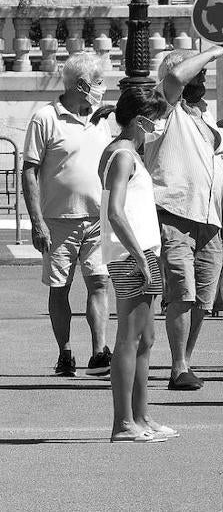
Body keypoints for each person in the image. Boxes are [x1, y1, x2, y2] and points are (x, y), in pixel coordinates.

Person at [148, 47, 223, 391]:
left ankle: (185, 360)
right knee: (182, 293)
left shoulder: (206, 117)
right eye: (198, 73)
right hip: (173, 213)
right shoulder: (163, 110)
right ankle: (178, 367)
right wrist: (212, 52)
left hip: (209, 219)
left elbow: (220, 169)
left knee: (203, 298)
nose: (202, 78)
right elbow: (173, 78)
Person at [22, 52, 114, 377]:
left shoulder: (102, 119)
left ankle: (100, 351)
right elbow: (29, 171)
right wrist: (36, 223)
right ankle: (65, 353)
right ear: (82, 84)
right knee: (60, 288)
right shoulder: (45, 118)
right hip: (58, 222)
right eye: (99, 82)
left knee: (99, 283)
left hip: (97, 220)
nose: (104, 88)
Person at [97, 87, 177, 442]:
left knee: (146, 338)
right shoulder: (123, 156)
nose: (158, 126)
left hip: (140, 252)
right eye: (156, 120)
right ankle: (124, 423)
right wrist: (140, 256)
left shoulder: (127, 153)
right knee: (130, 340)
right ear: (141, 120)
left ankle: (141, 417)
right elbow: (115, 212)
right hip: (132, 255)